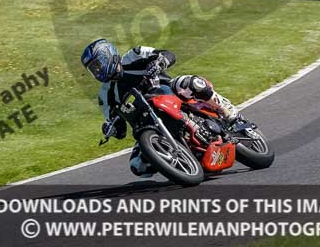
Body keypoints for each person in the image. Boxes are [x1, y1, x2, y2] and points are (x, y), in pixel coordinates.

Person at [81, 38, 240, 177]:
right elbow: (119, 128)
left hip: (171, 93)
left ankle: (224, 108)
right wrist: (112, 129)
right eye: (93, 69)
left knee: (190, 83)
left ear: (109, 54)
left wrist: (160, 61)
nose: (98, 71)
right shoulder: (105, 95)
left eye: (98, 64)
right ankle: (184, 161)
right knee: (138, 166)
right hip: (147, 123)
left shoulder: (133, 55)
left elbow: (168, 54)